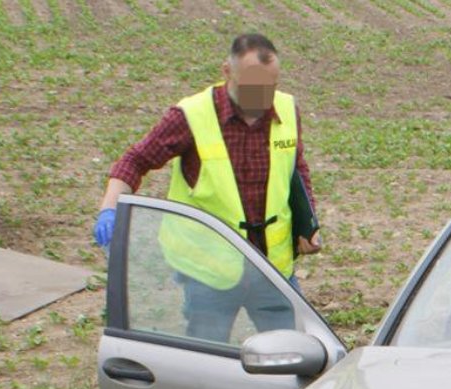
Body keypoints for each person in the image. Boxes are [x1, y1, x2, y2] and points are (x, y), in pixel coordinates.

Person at [92, 33, 321, 342]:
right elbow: (135, 161)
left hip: (272, 267)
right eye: (253, 88)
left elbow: (296, 168)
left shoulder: (287, 109)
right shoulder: (190, 117)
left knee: (298, 350)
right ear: (227, 72)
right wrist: (109, 209)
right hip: (208, 273)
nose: (263, 99)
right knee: (206, 359)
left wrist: (308, 222)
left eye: (270, 87)